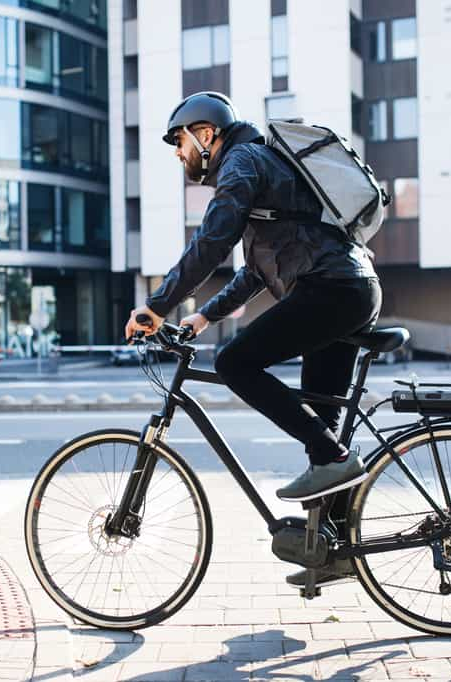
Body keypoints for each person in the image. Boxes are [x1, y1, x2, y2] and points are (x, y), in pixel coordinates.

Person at [124, 92, 382, 585]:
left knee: (235, 363)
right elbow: (256, 271)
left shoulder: (241, 162)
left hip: (333, 289)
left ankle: (335, 460)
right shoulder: (261, 166)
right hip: (348, 288)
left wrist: (156, 306)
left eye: (179, 141)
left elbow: (212, 241)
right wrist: (201, 316)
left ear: (205, 134)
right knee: (322, 426)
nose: (179, 153)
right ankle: (334, 552)